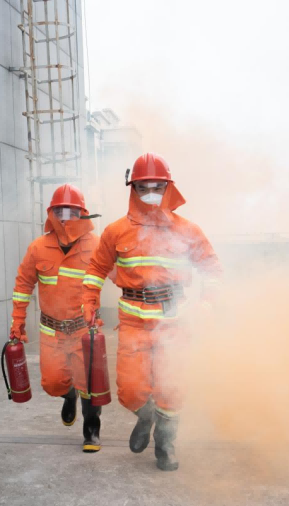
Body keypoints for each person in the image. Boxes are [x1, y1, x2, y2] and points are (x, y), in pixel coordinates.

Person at [81, 152, 223, 471]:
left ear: (169, 187)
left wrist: (207, 303)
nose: (150, 193)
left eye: (157, 186)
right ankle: (145, 417)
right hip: (133, 321)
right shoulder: (116, 231)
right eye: (143, 187)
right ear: (132, 189)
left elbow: (212, 269)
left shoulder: (188, 230)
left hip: (176, 321)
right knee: (130, 390)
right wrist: (89, 301)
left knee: (172, 387)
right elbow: (96, 269)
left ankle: (165, 443)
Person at [10, 183, 104, 452]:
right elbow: (23, 285)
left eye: (71, 212)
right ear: (51, 213)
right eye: (60, 212)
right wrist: (17, 321)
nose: (65, 218)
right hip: (52, 331)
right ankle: (68, 395)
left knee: (89, 382)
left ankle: (91, 431)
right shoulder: (38, 247)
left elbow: (118, 274)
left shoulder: (96, 245)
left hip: (85, 329)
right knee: (53, 383)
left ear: (83, 214)